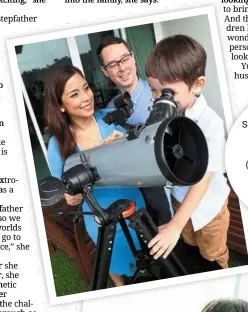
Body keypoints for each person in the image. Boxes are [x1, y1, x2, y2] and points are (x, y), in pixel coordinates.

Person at [44, 64, 146, 287]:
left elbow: (139, 160)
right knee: (116, 267)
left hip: (134, 203)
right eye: (74, 94)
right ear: (60, 106)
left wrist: (122, 148)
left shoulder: (110, 117)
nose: (86, 97)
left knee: (145, 257)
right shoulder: (57, 145)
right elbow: (70, 197)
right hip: (102, 218)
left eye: (86, 88)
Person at [145, 35, 230, 269]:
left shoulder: (210, 124)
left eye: (166, 93)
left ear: (197, 84)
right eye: (153, 91)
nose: (157, 99)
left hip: (209, 210)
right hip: (180, 203)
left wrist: (174, 225)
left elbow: (202, 180)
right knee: (191, 249)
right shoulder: (169, 113)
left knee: (213, 255)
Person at [97, 36, 173, 226]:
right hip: (139, 189)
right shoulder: (110, 110)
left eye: (124, 59)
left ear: (132, 57)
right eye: (113, 64)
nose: (122, 68)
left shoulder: (160, 90)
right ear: (105, 71)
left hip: (174, 180)